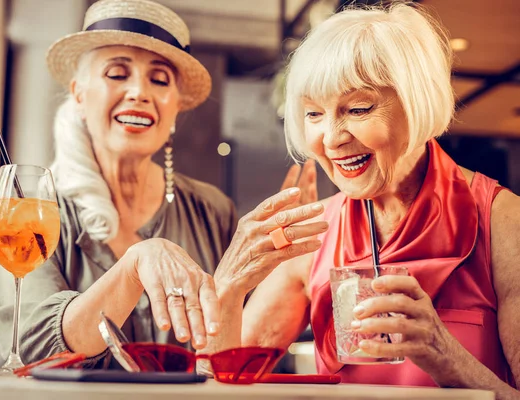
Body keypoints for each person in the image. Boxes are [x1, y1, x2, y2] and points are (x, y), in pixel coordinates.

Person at [203, 2, 520, 398]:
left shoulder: (505, 223)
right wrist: (228, 288)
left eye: (358, 108)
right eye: (314, 114)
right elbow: (220, 384)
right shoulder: (311, 236)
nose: (331, 138)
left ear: (416, 102)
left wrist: (448, 358)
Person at [0, 0, 324, 369]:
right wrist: (136, 262)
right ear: (80, 94)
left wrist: (279, 266)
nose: (139, 92)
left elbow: (233, 355)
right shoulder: (35, 212)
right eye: (117, 73)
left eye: (160, 79)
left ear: (176, 106)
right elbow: (34, 349)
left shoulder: (211, 209)